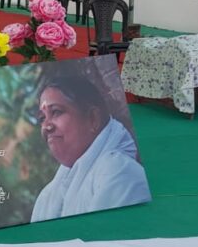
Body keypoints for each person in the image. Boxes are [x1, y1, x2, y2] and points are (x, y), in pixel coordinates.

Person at [30, 77, 151, 222]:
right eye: (42, 118)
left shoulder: (119, 173)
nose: (46, 126)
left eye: (56, 112)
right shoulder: (47, 197)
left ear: (93, 118)